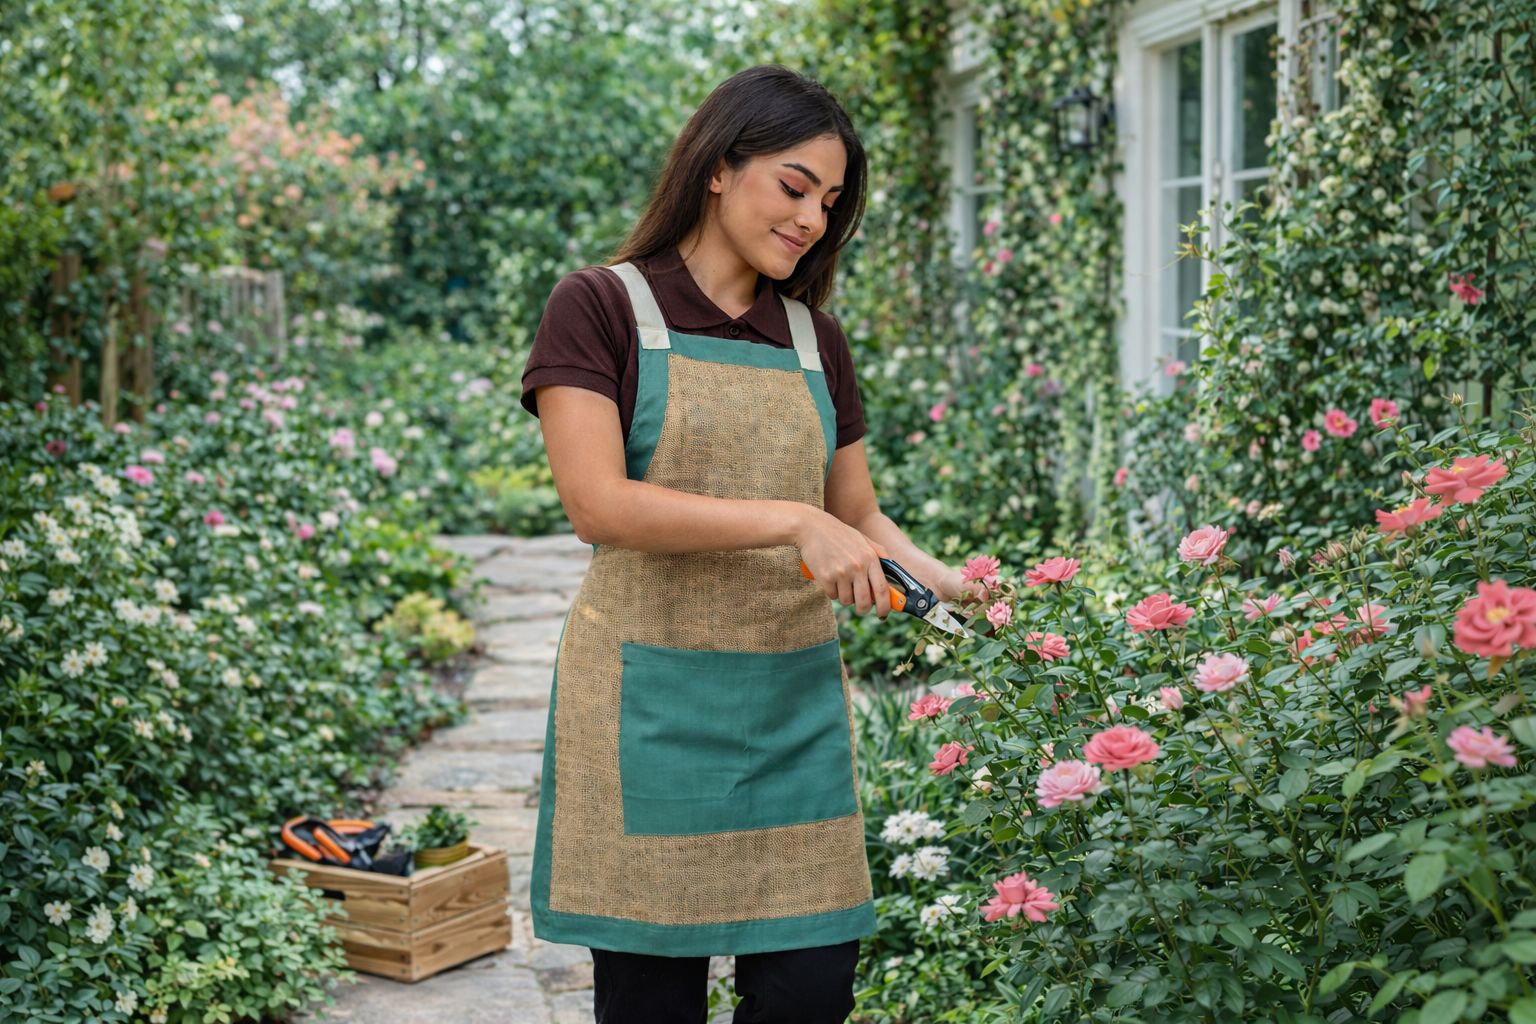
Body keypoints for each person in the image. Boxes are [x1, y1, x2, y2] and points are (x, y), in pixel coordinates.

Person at [519, 64, 970, 1024]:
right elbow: (600, 505)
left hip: (789, 709)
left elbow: (860, 515)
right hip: (646, 714)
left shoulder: (815, 340)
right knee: (653, 1005)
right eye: (793, 186)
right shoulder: (600, 308)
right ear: (719, 169)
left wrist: (965, 585)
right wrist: (790, 518)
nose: (811, 219)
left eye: (831, 202)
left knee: (812, 996)